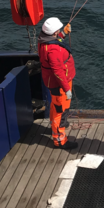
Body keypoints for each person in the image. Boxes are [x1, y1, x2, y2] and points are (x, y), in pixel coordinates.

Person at [38, 16, 77, 149]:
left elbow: (55, 40)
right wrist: (66, 89)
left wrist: (63, 34)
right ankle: (60, 140)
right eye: (59, 30)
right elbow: (58, 72)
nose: (59, 31)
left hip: (54, 82)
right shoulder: (53, 50)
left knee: (55, 106)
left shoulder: (43, 40)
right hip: (60, 84)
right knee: (61, 110)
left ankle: (57, 126)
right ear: (54, 32)